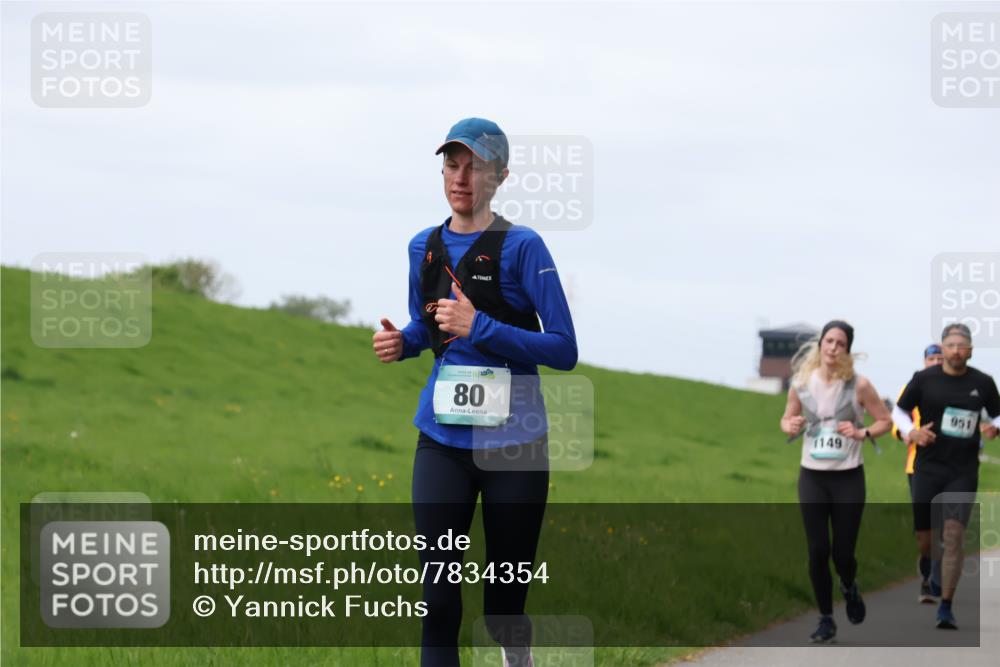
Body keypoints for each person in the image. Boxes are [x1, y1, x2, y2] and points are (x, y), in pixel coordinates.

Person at [373, 118, 578, 667]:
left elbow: (563, 349)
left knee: (502, 608)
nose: (461, 178)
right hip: (441, 442)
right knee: (438, 603)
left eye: (475, 167)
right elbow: (432, 326)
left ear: (500, 176)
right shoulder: (424, 246)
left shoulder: (524, 247)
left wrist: (479, 325)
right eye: (452, 164)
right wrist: (405, 341)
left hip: (516, 448)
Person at [779, 320, 892, 643]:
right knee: (817, 550)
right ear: (820, 345)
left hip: (848, 478)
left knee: (842, 553)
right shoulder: (801, 383)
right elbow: (786, 418)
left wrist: (862, 432)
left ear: (847, 350)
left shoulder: (860, 386)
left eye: (839, 343)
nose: (832, 348)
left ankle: (849, 585)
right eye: (828, 341)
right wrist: (790, 425)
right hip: (812, 477)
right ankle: (826, 618)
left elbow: (884, 420)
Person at [892, 322, 1000, 630]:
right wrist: (911, 432)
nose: (956, 350)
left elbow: (997, 412)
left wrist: (995, 427)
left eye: (962, 345)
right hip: (928, 468)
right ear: (943, 347)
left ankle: (947, 607)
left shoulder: (984, 382)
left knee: (953, 536)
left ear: (970, 350)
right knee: (926, 539)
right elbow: (898, 412)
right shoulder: (924, 380)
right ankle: (926, 563)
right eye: (950, 345)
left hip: (962, 471)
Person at [891, 344, 944, 603]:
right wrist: (912, 433)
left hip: (953, 467)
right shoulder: (912, 387)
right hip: (918, 466)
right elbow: (898, 427)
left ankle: (935, 581)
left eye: (939, 358)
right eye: (931, 358)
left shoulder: (958, 387)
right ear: (924, 361)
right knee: (926, 530)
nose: (935, 362)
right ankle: (926, 571)